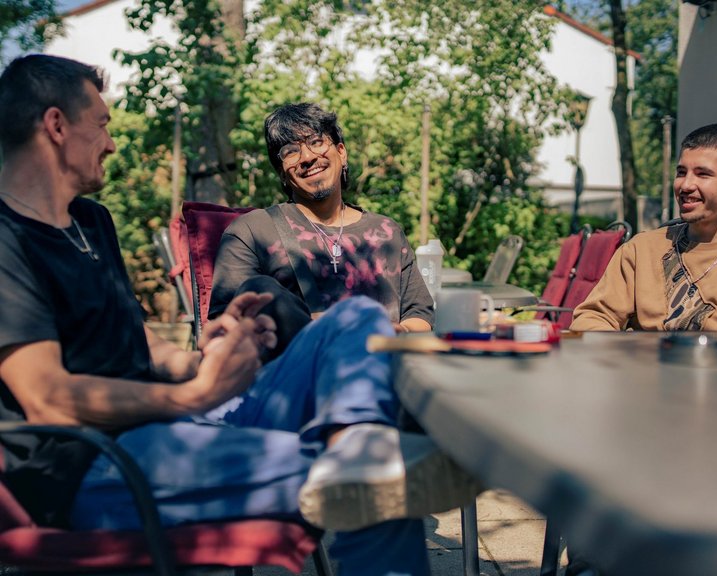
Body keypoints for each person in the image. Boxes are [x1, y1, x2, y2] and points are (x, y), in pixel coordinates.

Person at [0, 54, 478, 576]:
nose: (112, 142)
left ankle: (361, 439)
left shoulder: (91, 222)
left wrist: (209, 359)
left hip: (172, 419)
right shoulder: (8, 239)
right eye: (103, 125)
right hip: (93, 462)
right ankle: (380, 456)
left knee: (356, 319)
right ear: (55, 126)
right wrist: (192, 395)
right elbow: (45, 398)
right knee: (378, 484)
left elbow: (141, 343)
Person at [209, 102, 433, 357]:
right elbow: (226, 326)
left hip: (386, 369)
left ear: (341, 152)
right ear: (282, 173)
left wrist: (398, 332)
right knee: (263, 290)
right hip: (294, 378)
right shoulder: (253, 231)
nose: (307, 157)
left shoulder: (387, 232)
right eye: (290, 151)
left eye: (316, 142)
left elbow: (421, 315)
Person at [570, 123, 717, 332]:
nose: (685, 185)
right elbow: (592, 317)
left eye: (703, 174)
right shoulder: (641, 250)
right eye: (681, 172)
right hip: (647, 362)